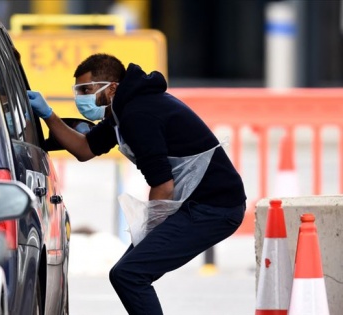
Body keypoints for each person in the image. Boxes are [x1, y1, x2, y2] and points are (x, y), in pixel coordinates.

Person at [27, 53, 246, 315]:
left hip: (214, 208)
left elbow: (163, 185)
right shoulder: (122, 112)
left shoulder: (138, 114)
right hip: (192, 204)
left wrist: (149, 230)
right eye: (78, 91)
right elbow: (85, 149)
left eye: (86, 90)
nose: (80, 98)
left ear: (112, 88)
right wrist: (48, 115)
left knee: (129, 274)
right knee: (128, 274)